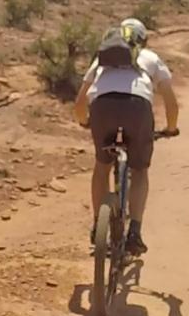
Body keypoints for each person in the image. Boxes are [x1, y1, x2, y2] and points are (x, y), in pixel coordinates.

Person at [73, 17, 180, 256]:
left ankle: (97, 226)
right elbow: (171, 102)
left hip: (102, 107)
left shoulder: (101, 61)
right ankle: (135, 232)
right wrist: (171, 128)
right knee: (140, 170)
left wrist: (84, 121)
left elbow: (80, 102)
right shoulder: (150, 58)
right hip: (137, 108)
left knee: (102, 167)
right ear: (142, 40)